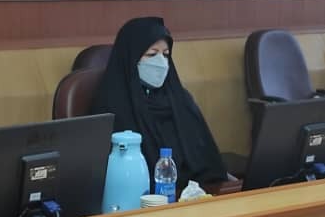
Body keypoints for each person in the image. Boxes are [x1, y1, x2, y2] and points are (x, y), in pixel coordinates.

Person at [90, 17, 228, 188]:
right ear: (131, 58)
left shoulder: (180, 100)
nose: (161, 62)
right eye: (151, 54)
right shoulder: (110, 106)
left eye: (166, 54)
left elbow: (209, 163)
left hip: (195, 195)